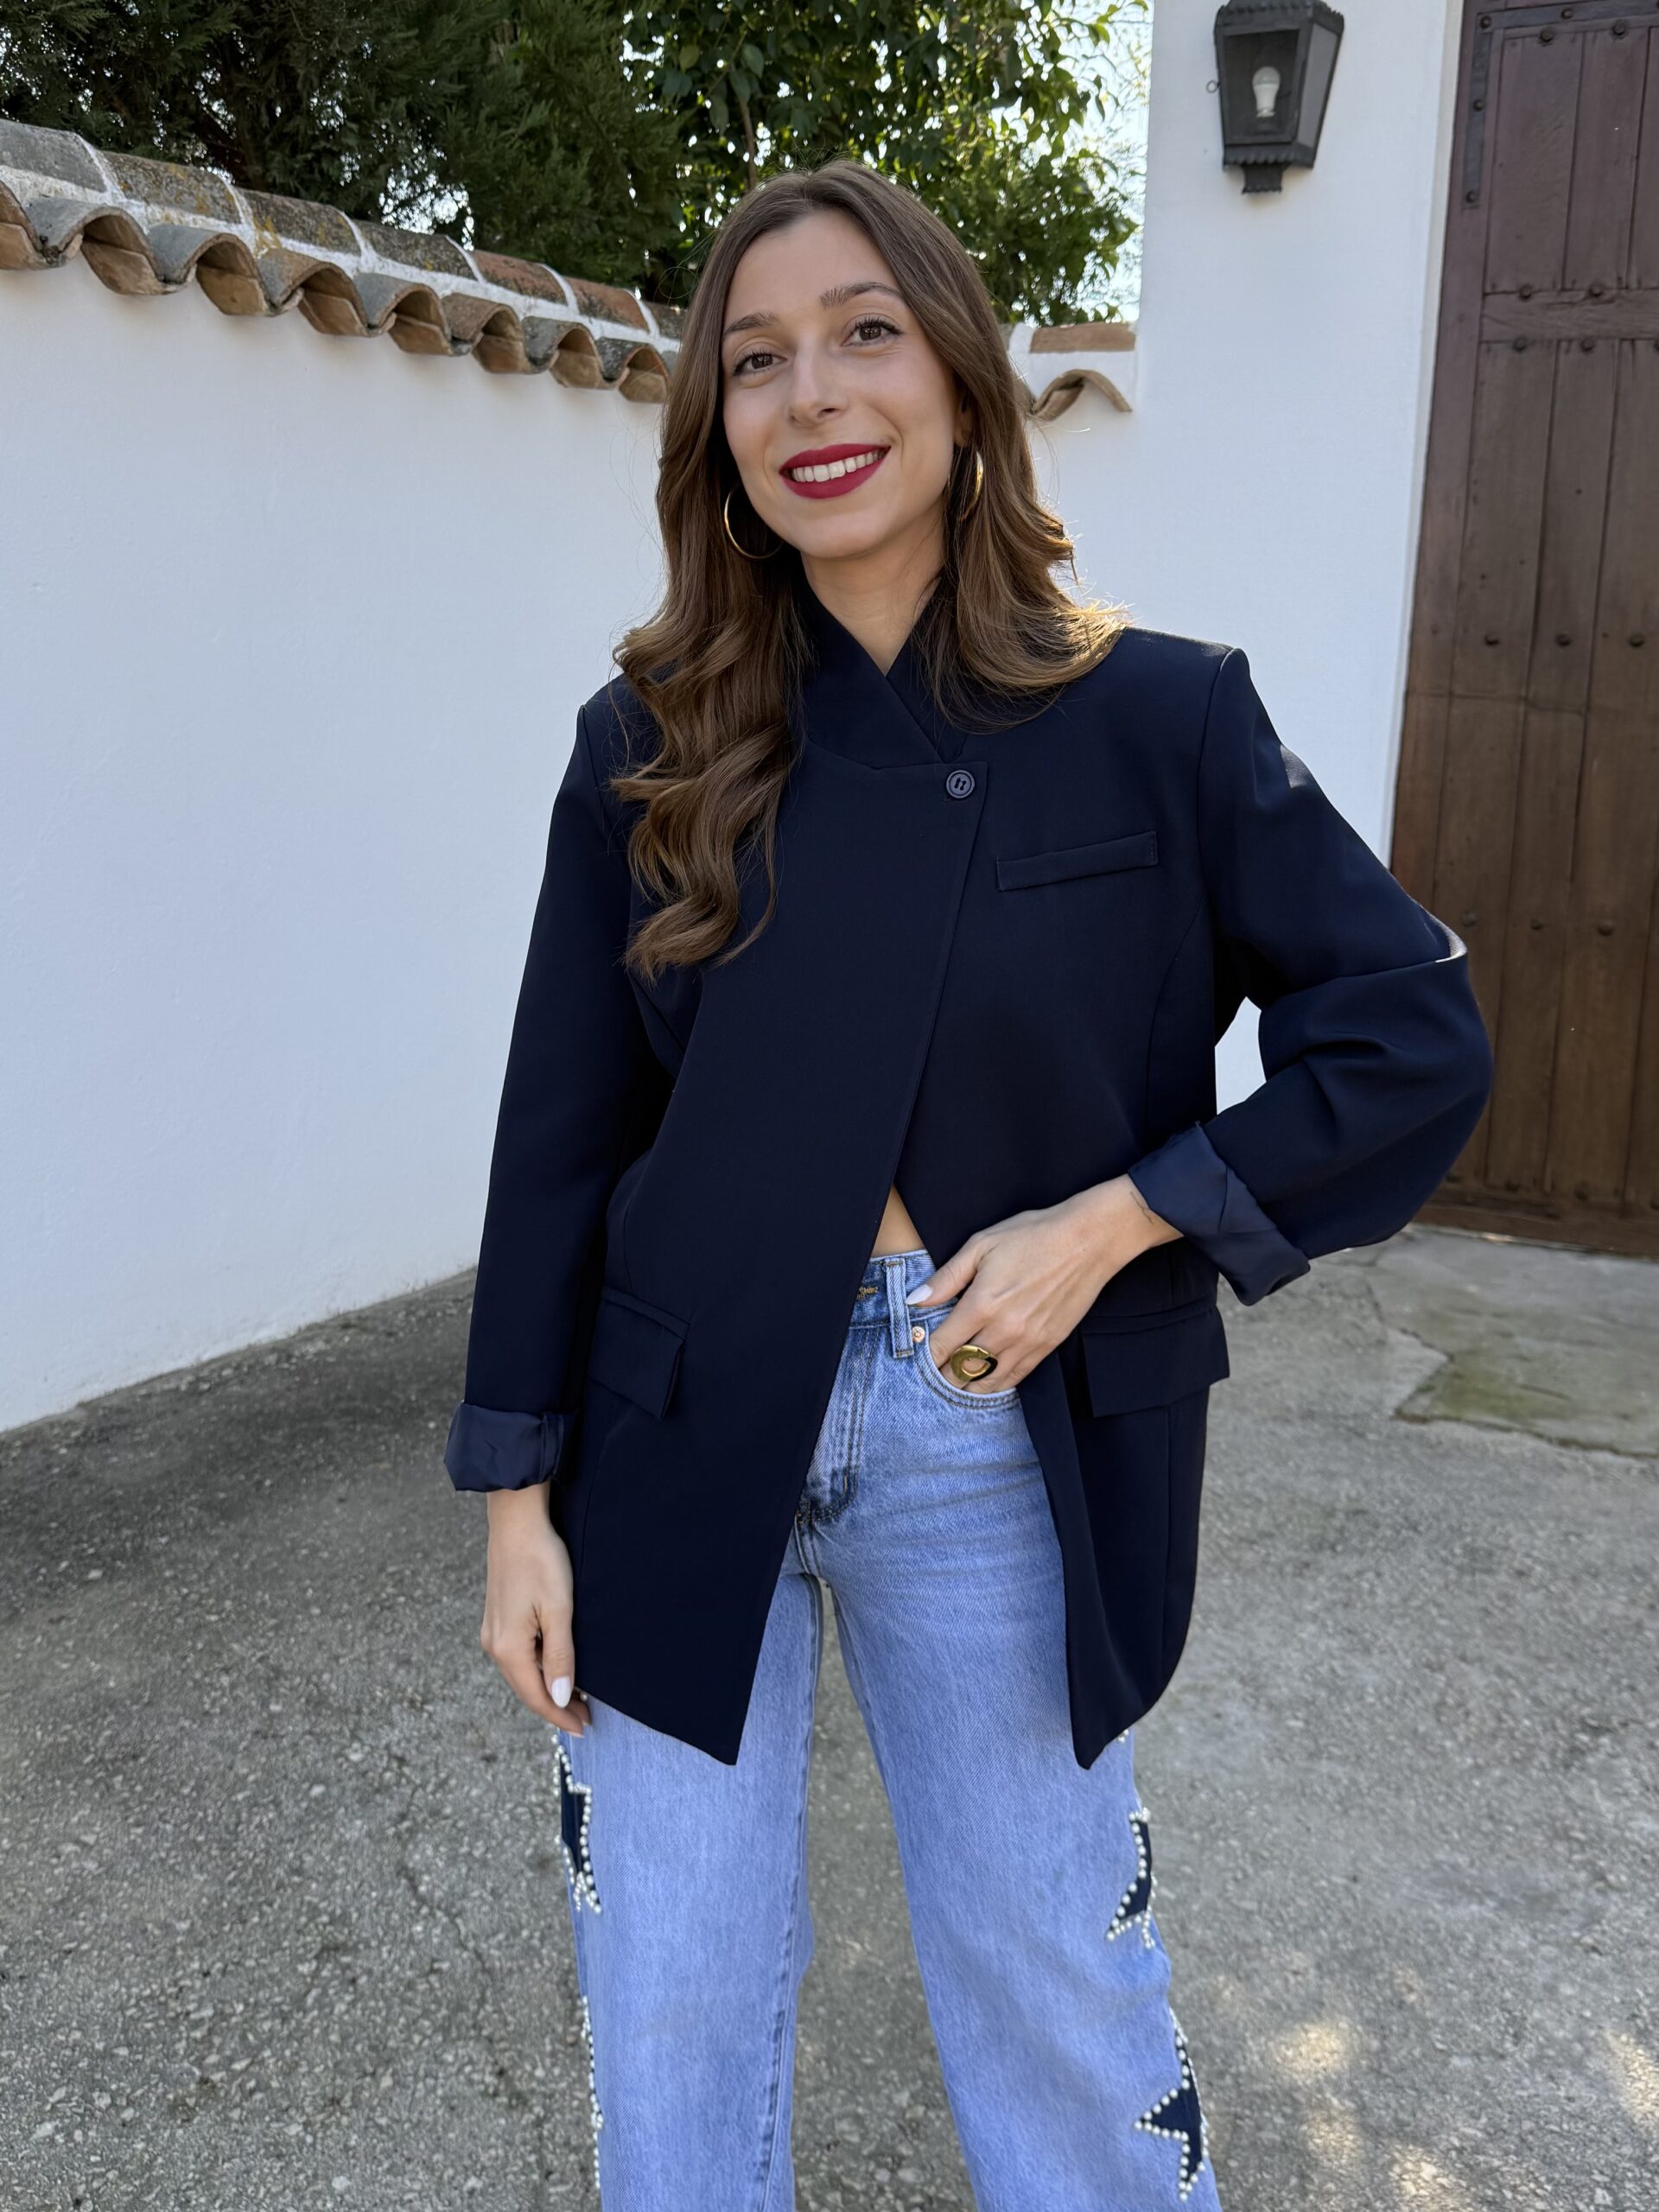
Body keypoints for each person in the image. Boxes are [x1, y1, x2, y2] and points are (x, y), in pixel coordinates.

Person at [442, 159, 1493, 2211]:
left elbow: (1409, 1033)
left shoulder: (1156, 715)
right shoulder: (650, 737)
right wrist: (513, 1501)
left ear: (958, 373)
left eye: (864, 332)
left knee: (1051, 1977)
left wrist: (1123, 1218)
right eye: (757, 359)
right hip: (677, 1411)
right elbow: (559, 1133)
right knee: (670, 1991)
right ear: (717, 426)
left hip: (996, 1414)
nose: (812, 395)